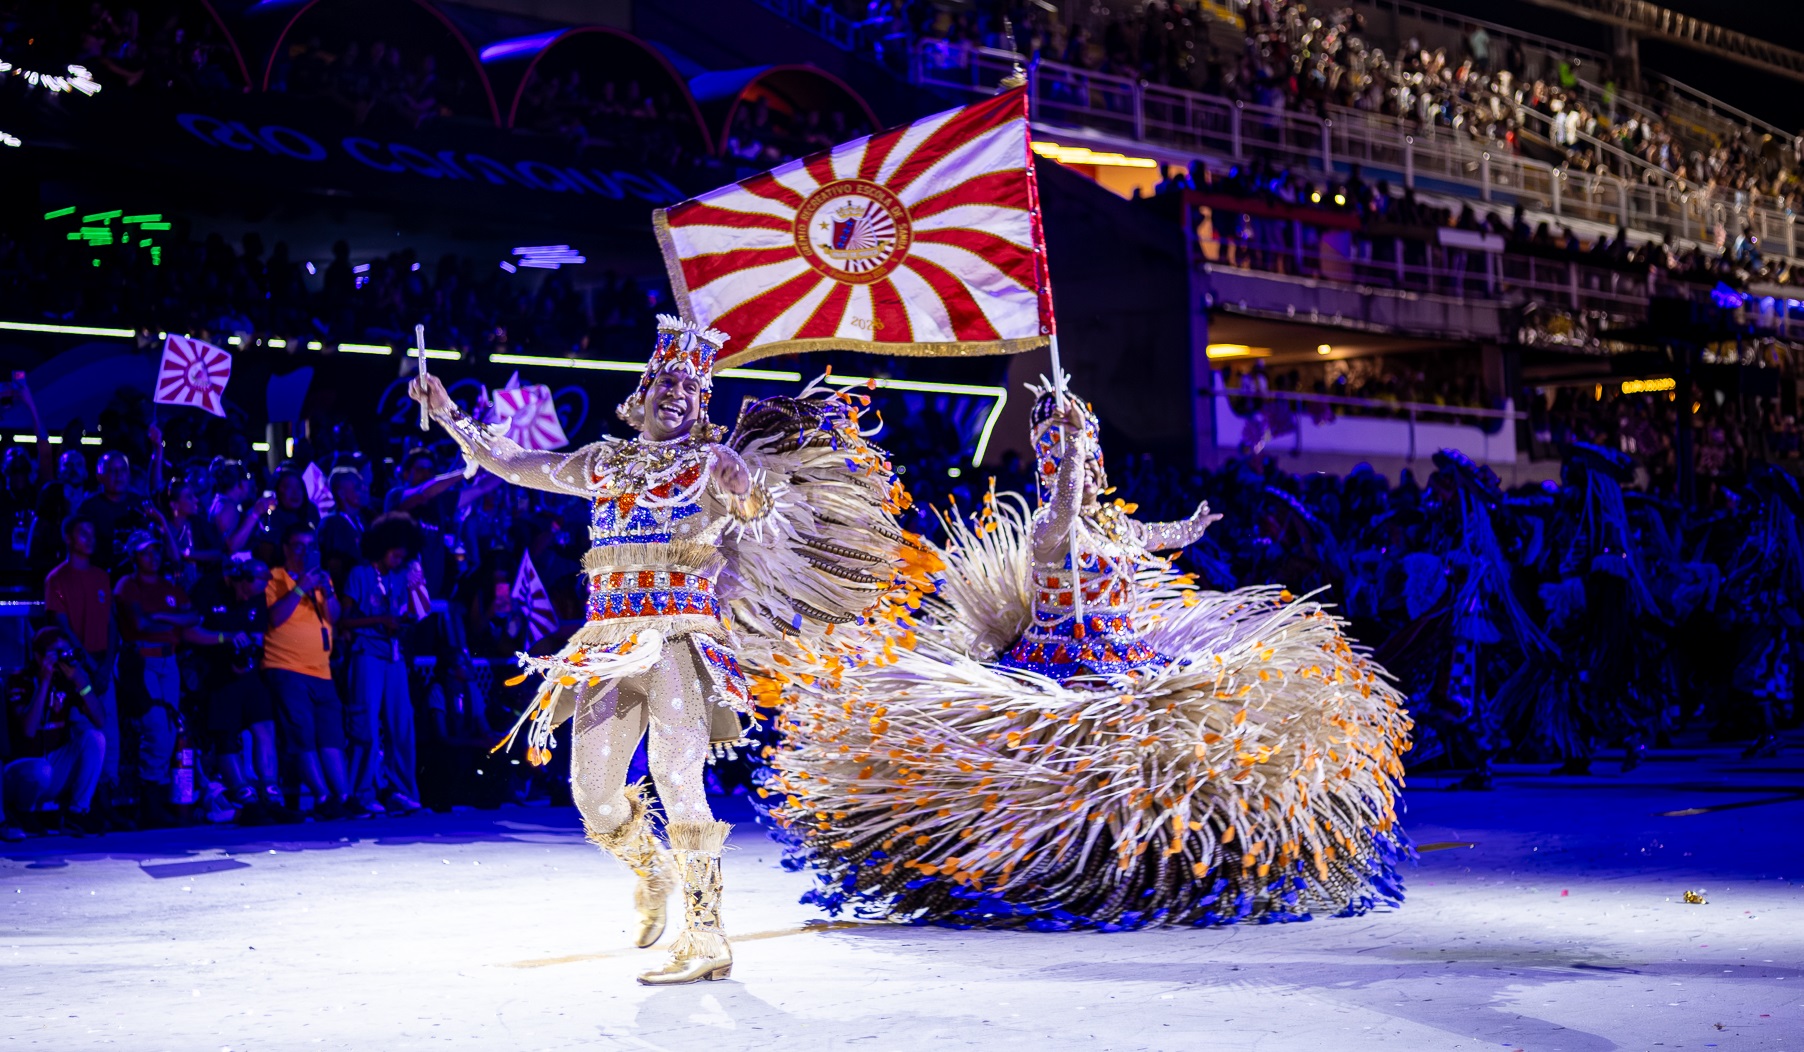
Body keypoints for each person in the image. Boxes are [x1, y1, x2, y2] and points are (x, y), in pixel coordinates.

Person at [761, 378, 1413, 929]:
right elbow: (1069, 503)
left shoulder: (1116, 524)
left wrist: (1190, 528)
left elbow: (1157, 535)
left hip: (1126, 659)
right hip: (1058, 668)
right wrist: (1068, 449)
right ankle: (1053, 873)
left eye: (1083, 455)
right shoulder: (1051, 524)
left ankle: (1150, 871)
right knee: (1065, 775)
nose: (1075, 467)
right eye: (1056, 457)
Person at [410, 315, 921, 985]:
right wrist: (448, 412)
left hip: (681, 640)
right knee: (592, 797)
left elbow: (757, 511)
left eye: (691, 387)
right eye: (666, 382)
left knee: (678, 777)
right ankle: (651, 872)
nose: (678, 393)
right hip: (606, 647)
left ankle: (706, 936)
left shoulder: (711, 463)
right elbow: (511, 463)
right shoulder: (602, 462)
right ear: (641, 393)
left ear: (702, 403)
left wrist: (743, 486)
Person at [263, 521, 360, 819]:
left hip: (321, 670)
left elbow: (333, 618)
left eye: (310, 546)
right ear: (286, 549)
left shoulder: (322, 580)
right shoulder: (274, 578)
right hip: (287, 667)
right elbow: (275, 618)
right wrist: (300, 587)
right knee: (302, 734)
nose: (305, 552)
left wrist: (326, 593)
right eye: (299, 546)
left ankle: (342, 796)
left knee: (331, 735)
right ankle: (320, 797)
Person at [193, 553, 293, 824]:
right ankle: (243, 794)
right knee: (226, 734)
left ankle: (271, 791)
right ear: (238, 579)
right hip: (215, 671)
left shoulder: (256, 595)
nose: (249, 598)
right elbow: (189, 632)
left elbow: (258, 635)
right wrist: (224, 638)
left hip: (247, 671)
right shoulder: (208, 589)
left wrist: (249, 658)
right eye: (246, 591)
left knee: (265, 726)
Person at [114, 530, 204, 827]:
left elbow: (194, 617)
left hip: (169, 660)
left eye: (155, 550)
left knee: (169, 727)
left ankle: (156, 802)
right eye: (145, 552)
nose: (152, 556)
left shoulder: (169, 586)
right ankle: (149, 803)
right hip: (142, 660)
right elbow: (140, 623)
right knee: (154, 726)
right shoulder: (128, 584)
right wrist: (171, 617)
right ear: (134, 556)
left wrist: (162, 618)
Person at [340, 512, 423, 815]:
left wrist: (402, 622)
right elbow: (344, 619)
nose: (398, 559)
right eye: (394, 553)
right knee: (365, 726)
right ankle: (361, 792)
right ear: (380, 546)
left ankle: (401, 790)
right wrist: (379, 620)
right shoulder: (359, 575)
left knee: (402, 725)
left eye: (403, 555)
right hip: (367, 655)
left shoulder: (399, 576)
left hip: (394, 656)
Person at [42, 516, 122, 802]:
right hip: (76, 667)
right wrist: (88, 664)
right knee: (86, 727)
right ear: (68, 538)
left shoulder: (102, 576)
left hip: (103, 665)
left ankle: (107, 793)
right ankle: (83, 800)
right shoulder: (57, 579)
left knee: (110, 729)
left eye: (92, 533)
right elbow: (62, 625)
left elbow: (111, 622)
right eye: (83, 533)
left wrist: (107, 664)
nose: (90, 538)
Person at [4, 628, 107, 836]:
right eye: (56, 653)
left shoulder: (67, 681)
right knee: (41, 770)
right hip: (22, 771)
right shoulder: (19, 680)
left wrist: (82, 684)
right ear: (38, 655)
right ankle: (22, 813)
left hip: (53, 768)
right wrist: (44, 682)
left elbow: (100, 720)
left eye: (66, 652)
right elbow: (28, 730)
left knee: (95, 738)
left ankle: (77, 813)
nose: (62, 659)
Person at [74, 451, 153, 574]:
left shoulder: (140, 503)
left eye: (123, 470)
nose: (118, 475)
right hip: (100, 574)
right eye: (112, 470)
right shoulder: (88, 508)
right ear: (99, 476)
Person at [316, 466, 368, 584]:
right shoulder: (333, 524)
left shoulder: (362, 519)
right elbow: (335, 568)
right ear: (342, 494)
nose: (365, 489)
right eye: (358, 487)